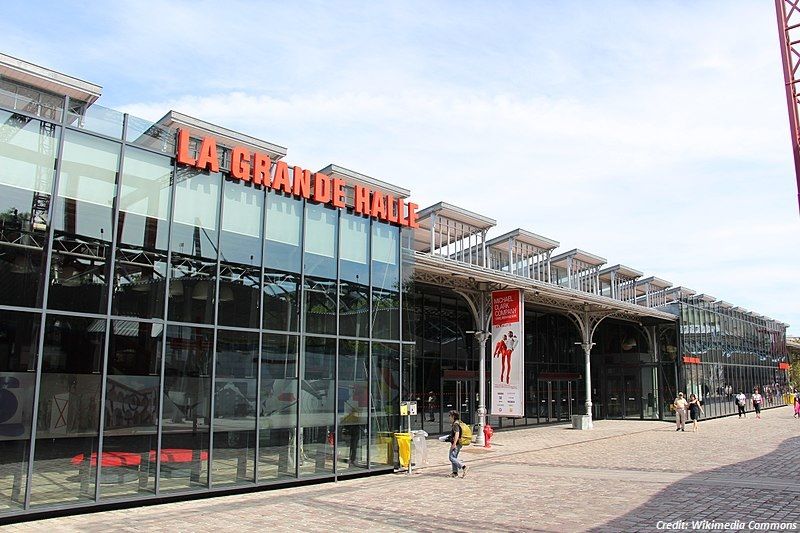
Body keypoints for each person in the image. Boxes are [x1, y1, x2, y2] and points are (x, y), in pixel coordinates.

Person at [446, 410, 466, 478]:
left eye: (450, 416)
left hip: (456, 443)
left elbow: (457, 434)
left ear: (453, 416)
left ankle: (463, 466)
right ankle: (455, 473)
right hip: (458, 443)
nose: (449, 417)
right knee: (454, 457)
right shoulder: (458, 422)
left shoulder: (456, 424)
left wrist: (454, 444)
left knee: (451, 457)